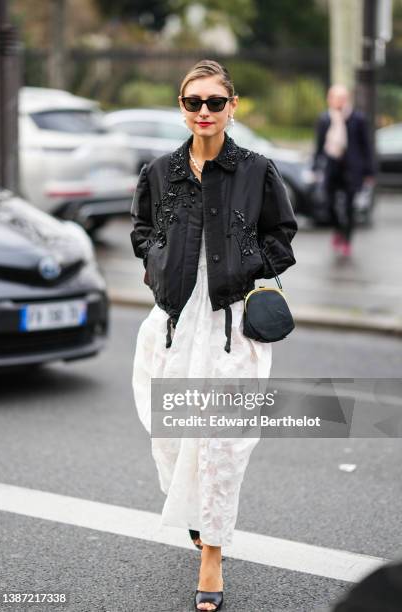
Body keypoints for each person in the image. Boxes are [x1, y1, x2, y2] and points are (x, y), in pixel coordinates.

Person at [130, 59, 297, 611]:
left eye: (214, 102)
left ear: (233, 106)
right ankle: (200, 517)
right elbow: (141, 229)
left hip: (231, 324)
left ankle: (212, 555)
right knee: (174, 439)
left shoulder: (256, 169)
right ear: (181, 107)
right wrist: (156, 262)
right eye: (193, 102)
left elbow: (283, 233)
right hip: (175, 320)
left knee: (222, 443)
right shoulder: (159, 170)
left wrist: (249, 266)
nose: (204, 111)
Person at [312, 84, 375, 258]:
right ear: (329, 99)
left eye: (341, 98)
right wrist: (315, 167)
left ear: (346, 100)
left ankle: (347, 240)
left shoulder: (358, 118)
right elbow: (318, 146)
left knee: (349, 207)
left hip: (352, 170)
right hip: (331, 167)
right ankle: (338, 230)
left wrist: (369, 172)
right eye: (334, 97)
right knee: (329, 204)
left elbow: (366, 146)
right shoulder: (325, 119)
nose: (337, 101)